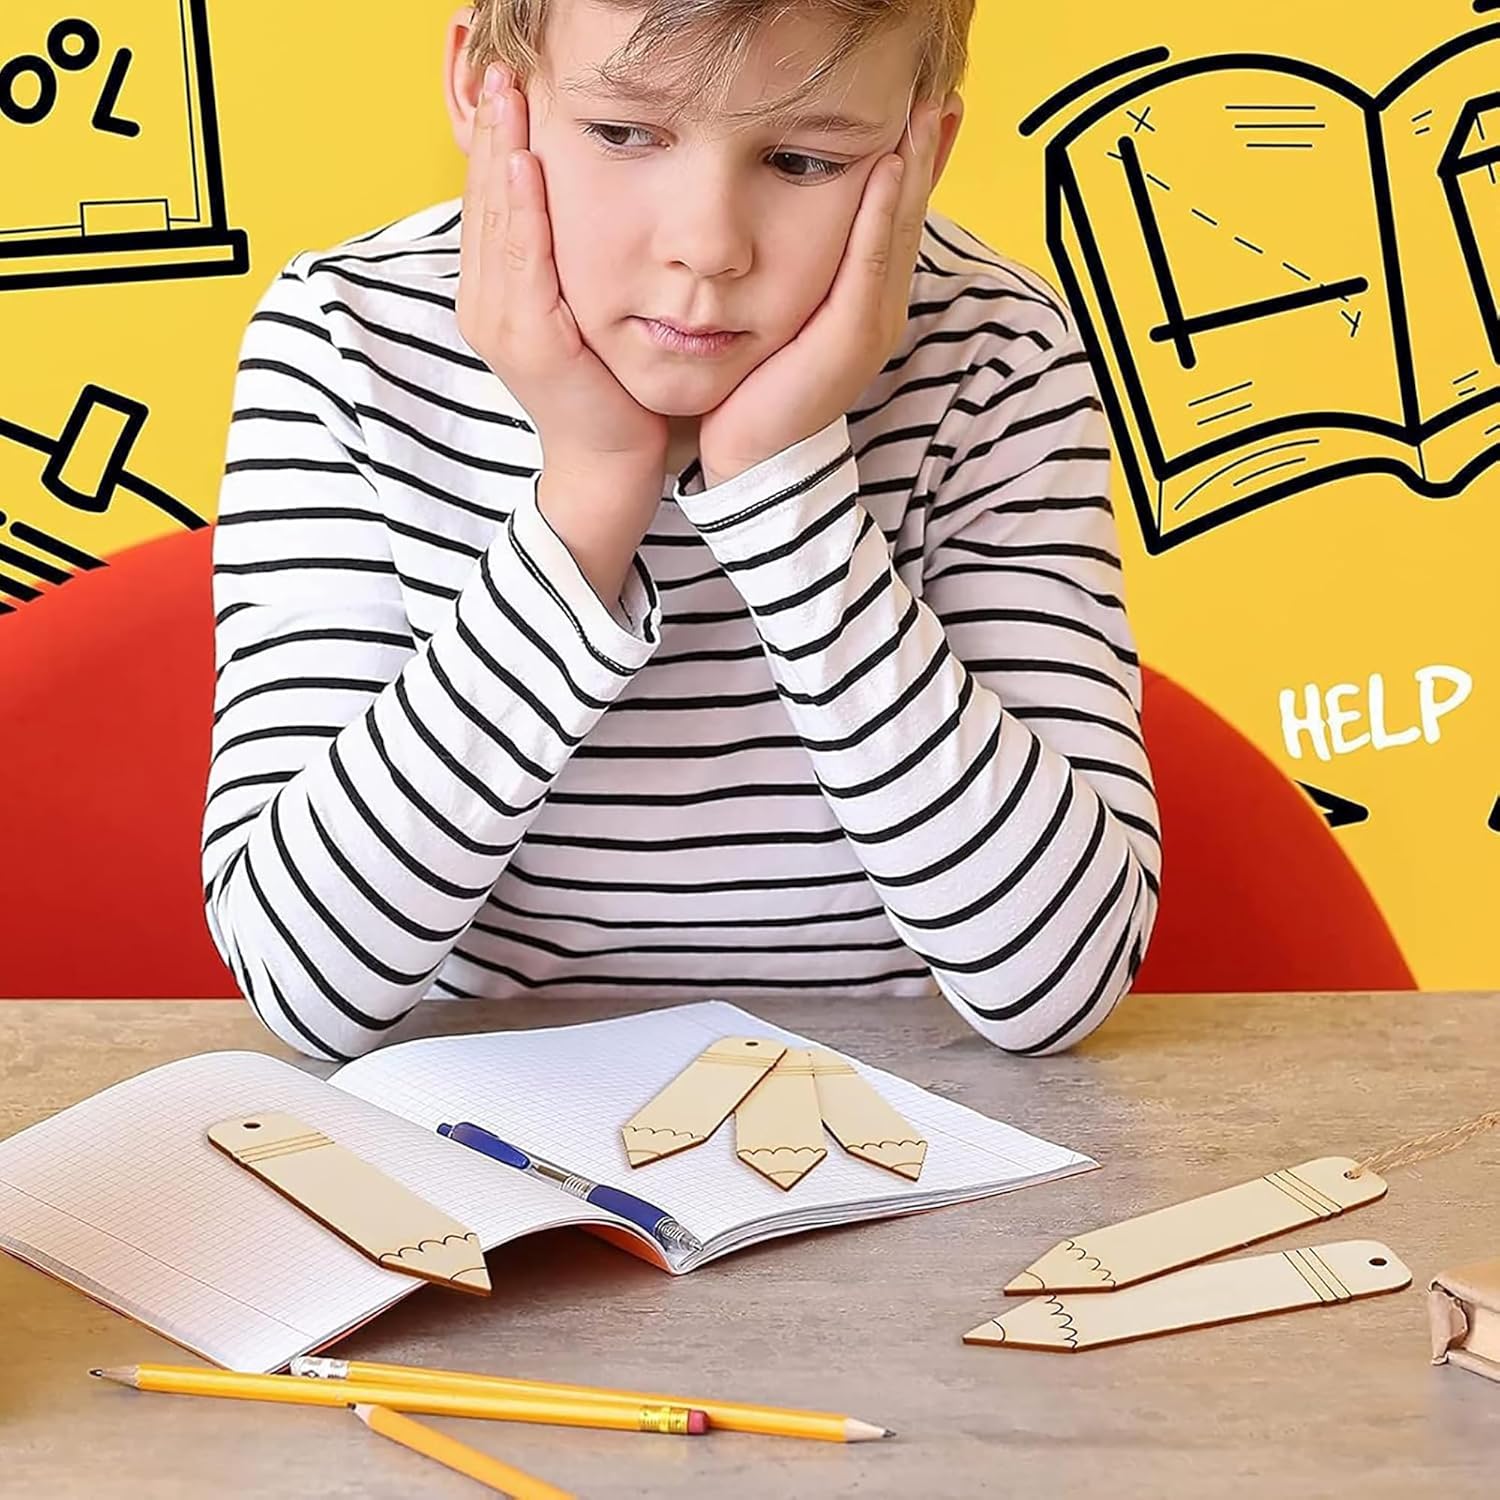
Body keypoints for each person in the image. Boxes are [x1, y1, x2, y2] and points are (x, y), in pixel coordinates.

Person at [201, 0, 1162, 1063]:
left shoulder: (997, 353)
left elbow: (1058, 984)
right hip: (476, 1125)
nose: (708, 247)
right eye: (623, 134)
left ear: (919, 151)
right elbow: (302, 984)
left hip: (907, 1111)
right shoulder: (347, 338)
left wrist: (778, 482)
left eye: (803, 160)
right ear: (486, 89)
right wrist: (593, 483)